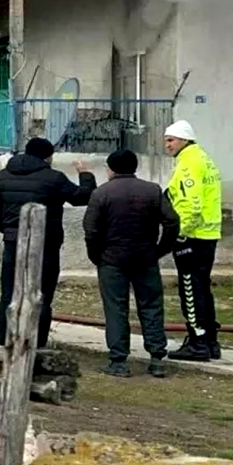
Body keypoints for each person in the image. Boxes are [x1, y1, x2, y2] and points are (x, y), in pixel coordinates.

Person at [0, 136, 96, 349]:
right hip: (46, 244)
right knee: (42, 294)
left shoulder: (3, 176)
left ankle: (2, 340)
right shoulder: (54, 178)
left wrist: (9, 231)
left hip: (12, 242)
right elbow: (82, 197)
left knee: (9, 292)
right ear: (48, 157)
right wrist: (84, 174)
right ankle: (36, 343)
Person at [83, 149, 179, 377]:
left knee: (116, 308)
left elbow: (91, 230)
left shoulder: (101, 194)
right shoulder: (152, 191)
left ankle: (118, 360)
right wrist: (160, 249)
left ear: (110, 169)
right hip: (145, 256)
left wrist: (97, 256)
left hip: (112, 259)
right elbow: (172, 222)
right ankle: (157, 358)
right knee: (151, 306)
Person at [162, 120, 224, 361]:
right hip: (208, 235)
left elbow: (191, 203)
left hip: (193, 236)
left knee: (190, 288)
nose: (167, 145)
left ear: (185, 140)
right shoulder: (204, 158)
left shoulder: (188, 163)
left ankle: (197, 342)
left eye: (171, 140)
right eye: (166, 140)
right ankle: (210, 341)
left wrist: (180, 233)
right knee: (202, 288)